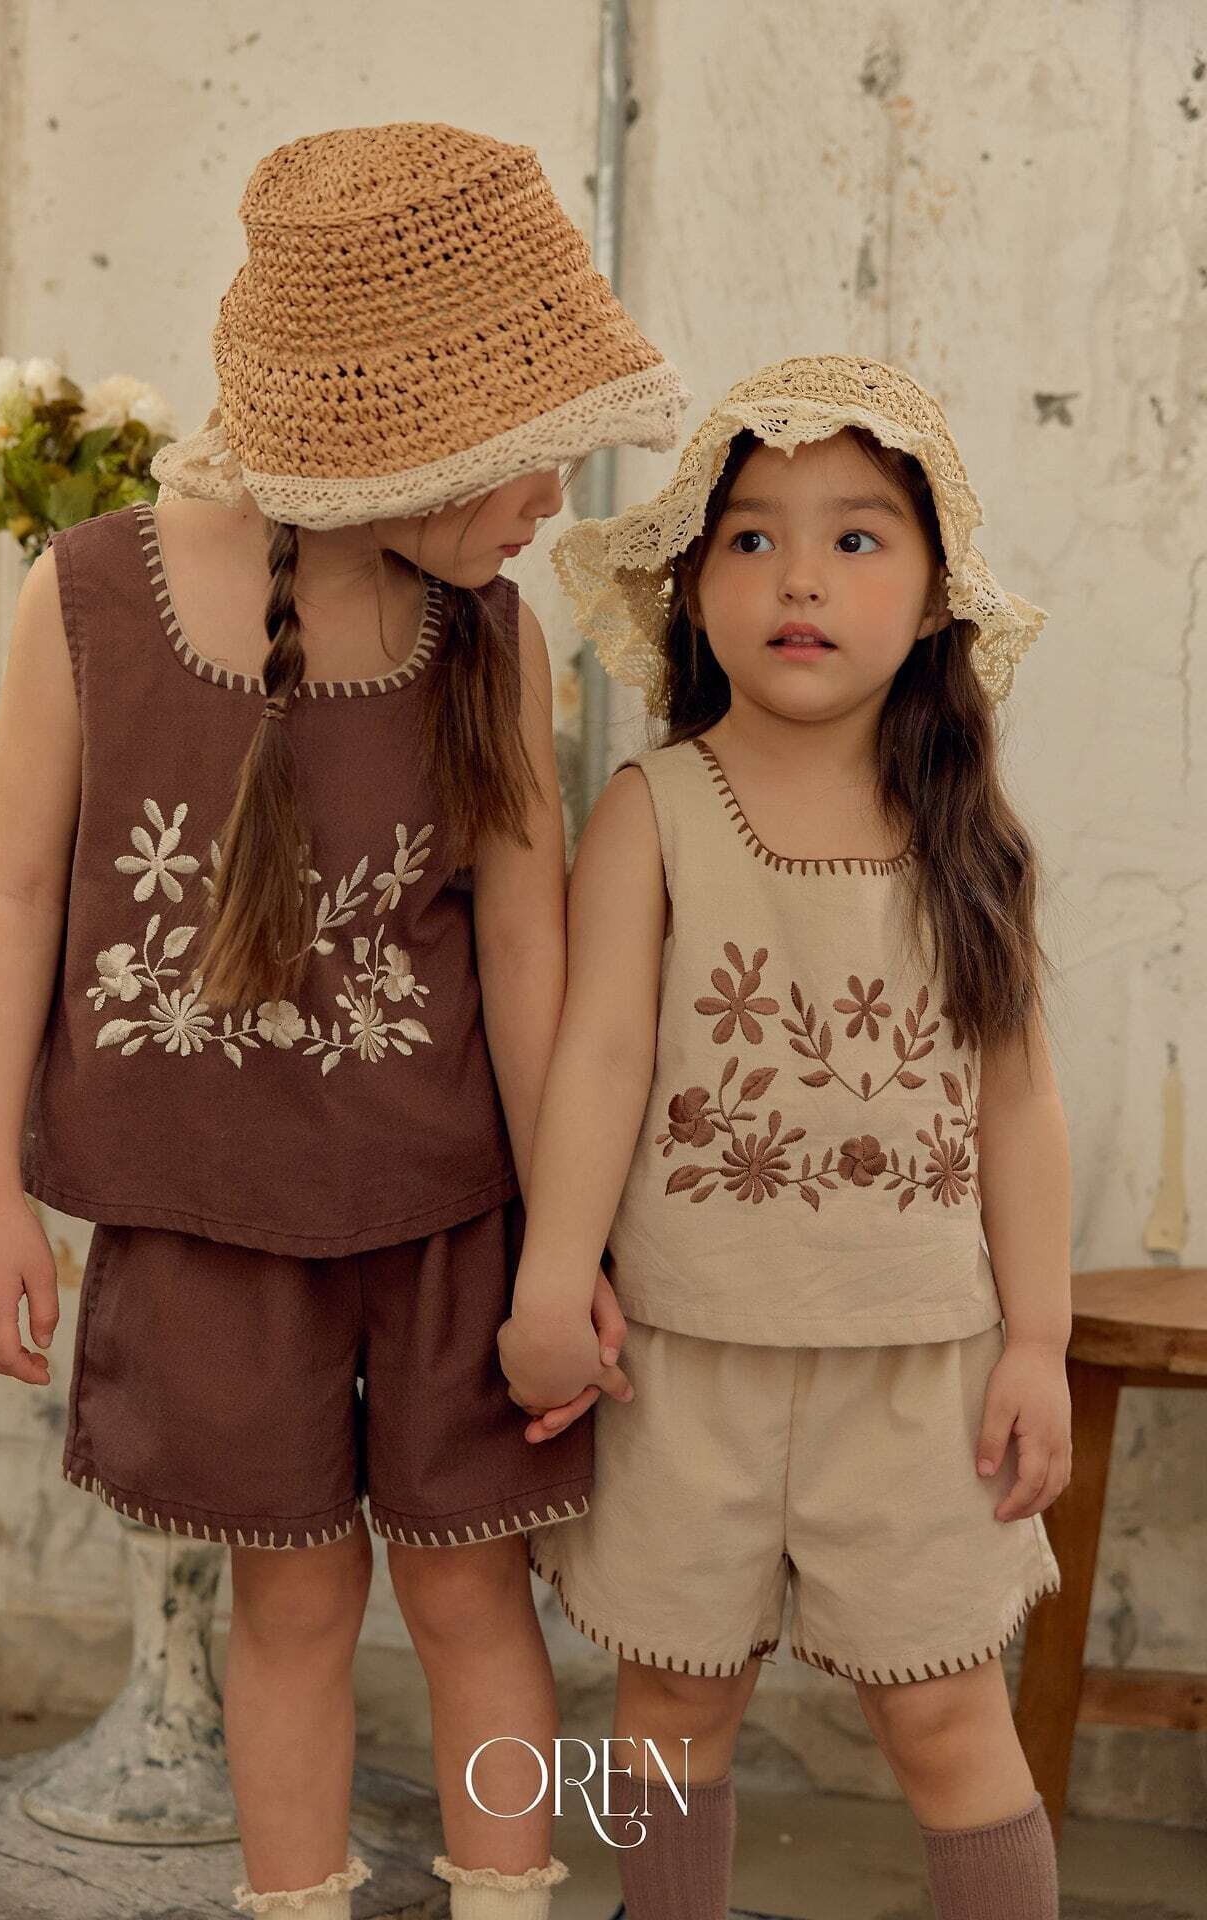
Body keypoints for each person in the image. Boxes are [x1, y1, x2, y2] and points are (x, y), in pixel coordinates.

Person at [0, 123, 690, 1920]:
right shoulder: (87, 595)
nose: (551, 500)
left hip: (447, 1222)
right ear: (400, 444)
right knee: (289, 1601)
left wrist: (563, 1250)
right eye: (524, 457)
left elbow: (528, 954)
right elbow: (16, 897)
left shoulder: (489, 636)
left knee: (470, 1592)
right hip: (208, 1219)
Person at [500, 356, 1071, 1919]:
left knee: (948, 1720)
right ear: (694, 589)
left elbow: (1019, 1104)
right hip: (686, 1364)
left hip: (920, 1375)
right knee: (675, 1708)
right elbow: (600, 1058)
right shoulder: (656, 809)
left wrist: (1039, 1342)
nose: (798, 577)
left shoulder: (972, 838)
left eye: (855, 538)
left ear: (937, 596)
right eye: (750, 538)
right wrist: (552, 1277)